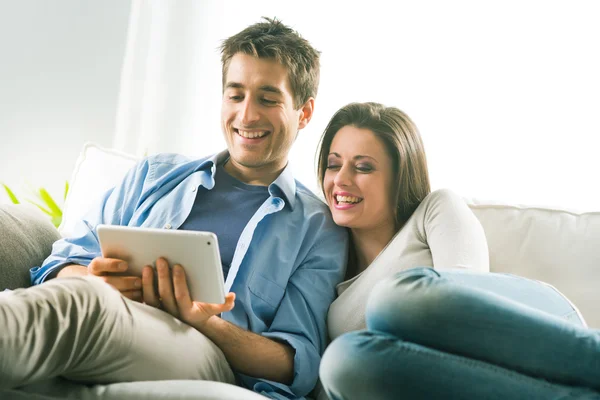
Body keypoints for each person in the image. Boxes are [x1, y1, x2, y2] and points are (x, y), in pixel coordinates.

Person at [0, 18, 348, 400]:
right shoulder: (155, 175)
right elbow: (60, 262)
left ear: (305, 112)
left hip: (206, 352)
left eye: (268, 99)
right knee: (82, 303)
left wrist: (205, 321)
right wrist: (90, 277)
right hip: (113, 319)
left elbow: (294, 362)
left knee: (85, 306)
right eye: (235, 95)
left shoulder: (318, 227)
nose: (246, 115)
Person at [313, 102, 600, 399]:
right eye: (333, 165)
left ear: (399, 178)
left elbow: (468, 295)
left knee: (392, 299)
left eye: (363, 167)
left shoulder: (433, 211)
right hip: (467, 383)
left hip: (533, 328)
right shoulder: (326, 270)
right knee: (342, 361)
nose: (341, 179)